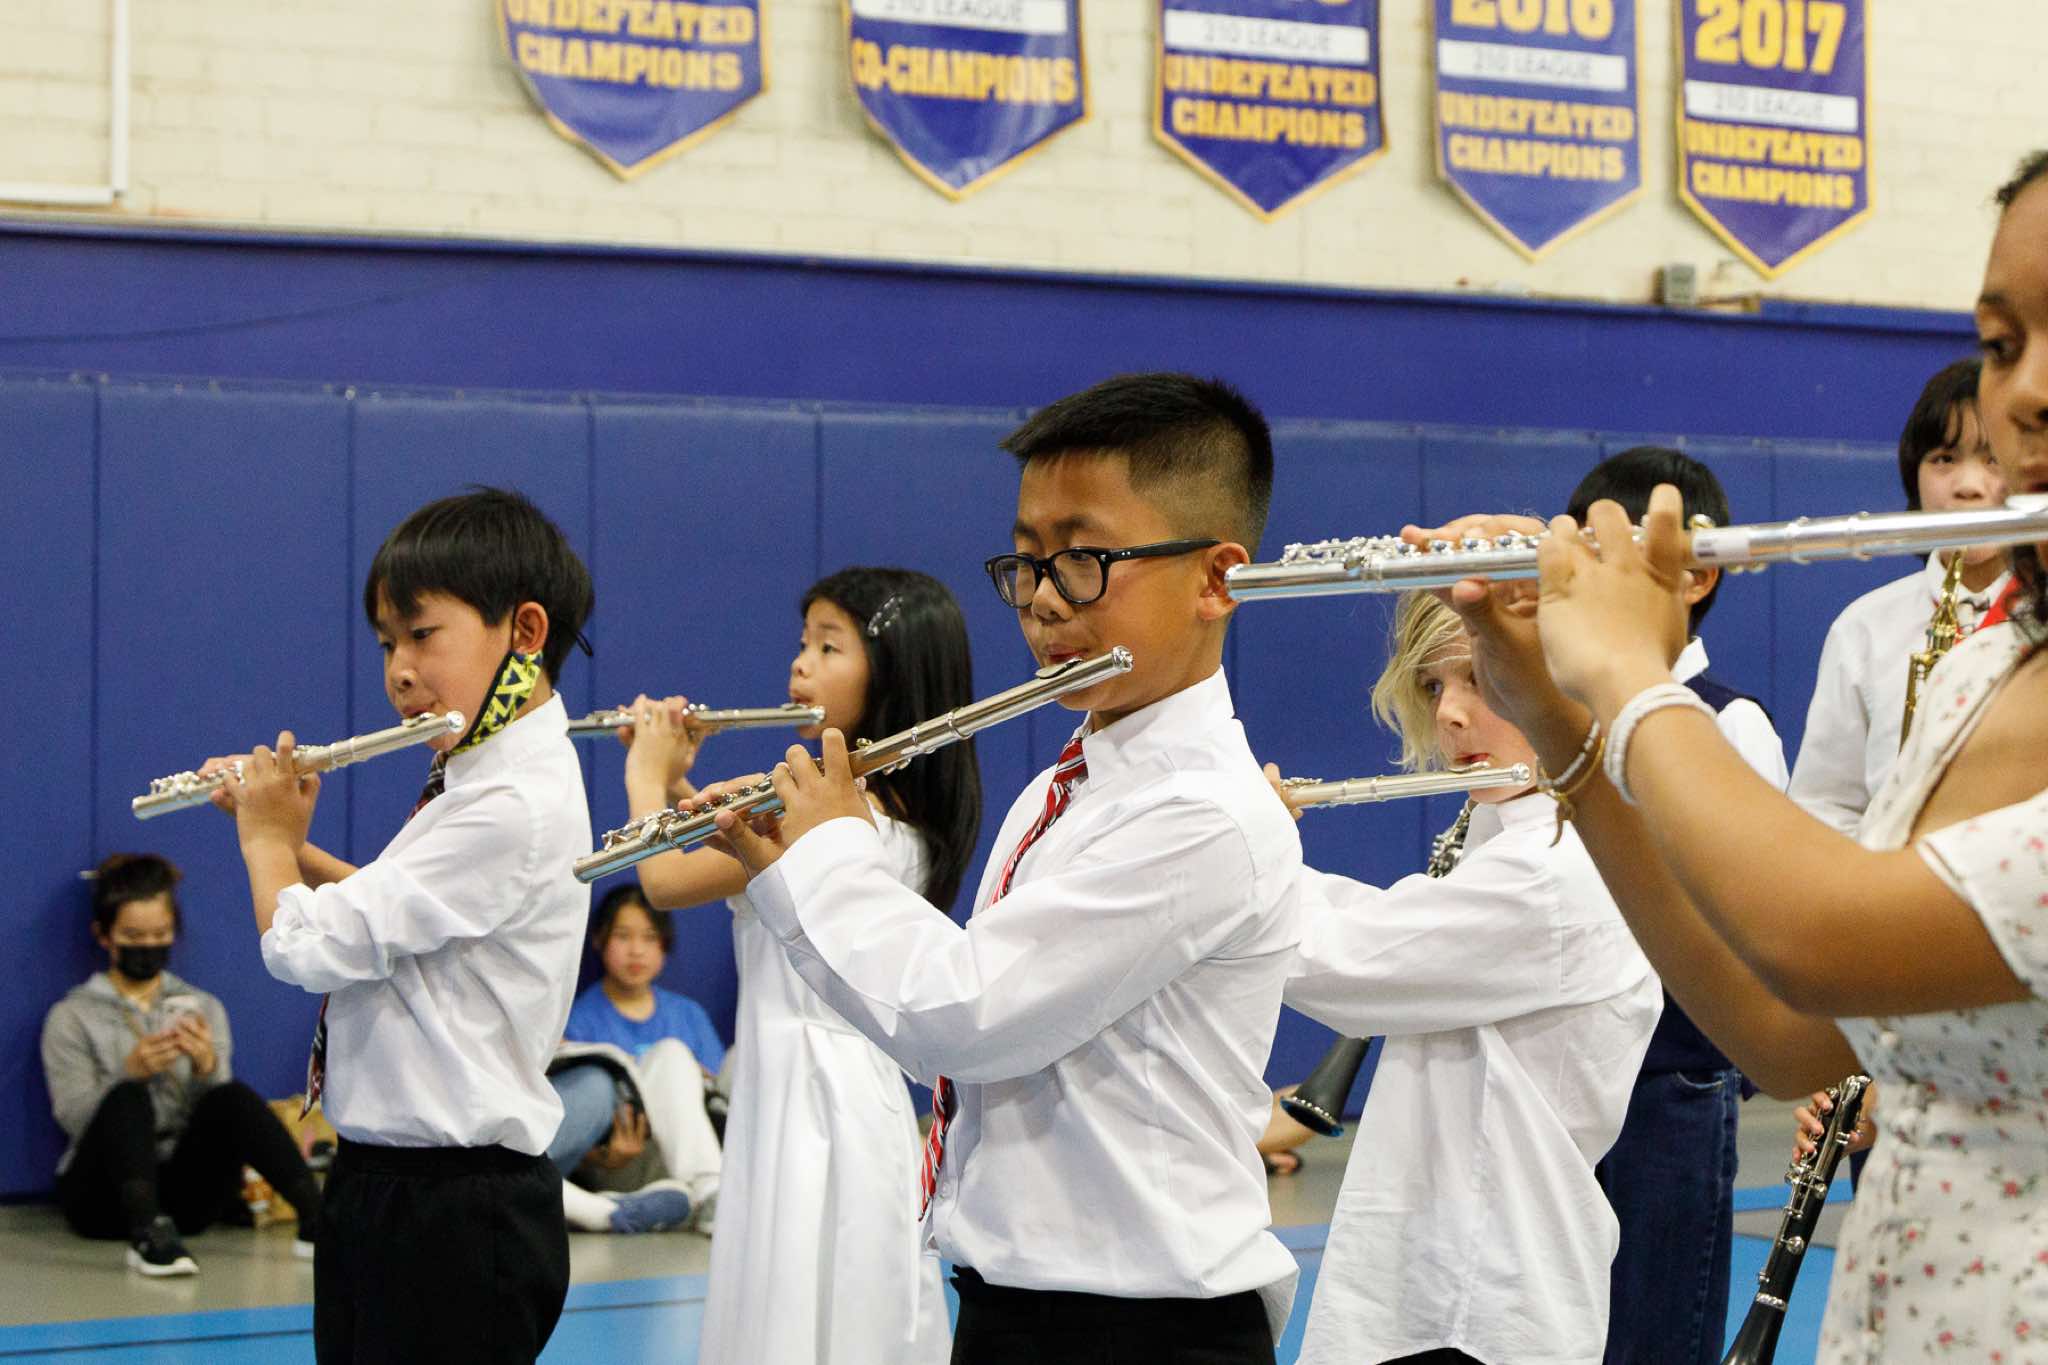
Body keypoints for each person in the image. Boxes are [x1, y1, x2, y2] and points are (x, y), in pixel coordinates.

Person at [1414, 145, 2048, 1365]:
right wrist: (1552, 713)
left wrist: (1631, 677)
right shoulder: (1984, 666)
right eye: (2000, 341)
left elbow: (1817, 940)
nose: (2022, 397)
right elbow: (1781, 1029)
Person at [712, 373, 1305, 1364]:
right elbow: (947, 1031)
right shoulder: (1062, 788)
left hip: (1140, 1333)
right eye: (1026, 562)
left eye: (1082, 560)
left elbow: (967, 1014)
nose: (1041, 600)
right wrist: (784, 873)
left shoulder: (1201, 812)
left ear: (1215, 579)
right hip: (1020, 1311)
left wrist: (832, 855)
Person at [205, 487, 594, 1363]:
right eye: (387, 643)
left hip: (455, 1211)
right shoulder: (482, 778)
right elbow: (402, 917)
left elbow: (306, 946)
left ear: (525, 631)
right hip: (394, 1191)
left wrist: (265, 843)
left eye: (422, 634)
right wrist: (288, 845)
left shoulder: (512, 799)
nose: (399, 671)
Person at [1277, 592, 1661, 1365]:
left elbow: (1338, 957)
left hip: (1478, 1301)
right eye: (1433, 685)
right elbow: (1383, 926)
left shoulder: (1556, 866)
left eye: (1481, 679)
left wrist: (1242, 856)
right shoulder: (1510, 829)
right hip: (1443, 1282)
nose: (1449, 714)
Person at [617, 566, 980, 1364]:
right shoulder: (882, 811)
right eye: (803, 642)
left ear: (894, 672)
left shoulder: (825, 817)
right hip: (815, 1091)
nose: (800, 663)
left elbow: (665, 878)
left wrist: (643, 772)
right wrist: (675, 776)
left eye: (828, 645)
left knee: (809, 1318)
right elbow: (733, 852)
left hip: (818, 1103)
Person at [1564, 449, 1789, 1365]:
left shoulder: (1730, 722)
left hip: (1671, 1083)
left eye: (1611, 555)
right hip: (1570, 1074)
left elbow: (1753, 910)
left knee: (1657, 1338)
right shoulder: (1556, 712)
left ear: (1697, 575)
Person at [41, 853, 323, 1276]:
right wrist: (128, 1073)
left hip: (184, 1192)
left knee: (231, 1096)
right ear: (104, 936)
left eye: (160, 934)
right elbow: (73, 1117)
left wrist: (209, 1068)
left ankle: (319, 1218)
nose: (148, 946)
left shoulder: (202, 1007)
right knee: (128, 1096)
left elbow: (225, 1119)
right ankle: (148, 1234)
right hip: (103, 1198)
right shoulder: (70, 1017)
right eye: (134, 935)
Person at [1790, 357, 2012, 833]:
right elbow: (1822, 807)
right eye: (1944, 459)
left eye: (1994, 458)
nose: (1969, 487)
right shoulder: (1863, 628)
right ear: (1915, 478)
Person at [547, 883, 724, 1235]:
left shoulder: (686, 1014)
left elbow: (717, 1097)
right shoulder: (577, 1018)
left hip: (686, 1153)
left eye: (649, 937)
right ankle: (665, 1201)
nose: (636, 951)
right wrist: (600, 1156)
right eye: (623, 936)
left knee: (673, 1053)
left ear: (664, 944)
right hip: (616, 1164)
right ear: (599, 940)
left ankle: (709, 1192)